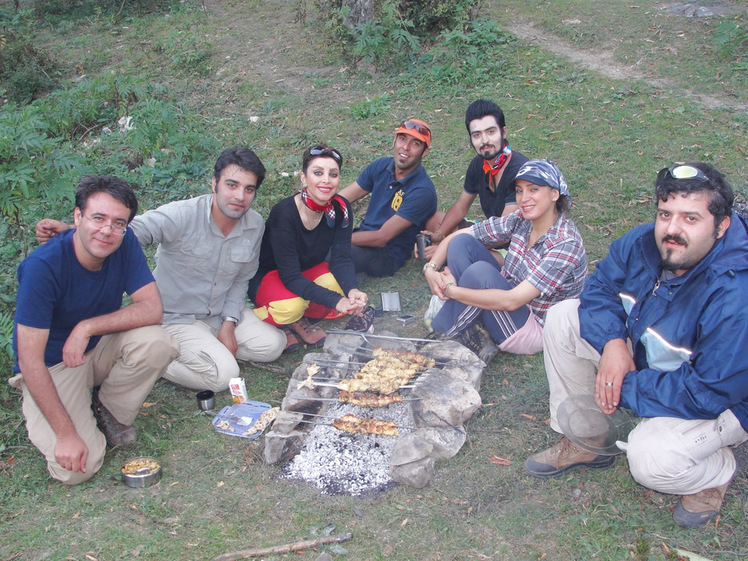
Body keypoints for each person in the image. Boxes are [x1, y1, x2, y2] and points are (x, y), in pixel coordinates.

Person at [524, 163, 748, 528]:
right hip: (657, 363)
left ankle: (716, 470)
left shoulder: (736, 292)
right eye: (665, 214)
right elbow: (598, 291)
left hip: (725, 399)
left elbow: (707, 392)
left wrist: (620, 387)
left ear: (721, 226)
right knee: (566, 315)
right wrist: (613, 344)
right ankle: (587, 437)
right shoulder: (643, 243)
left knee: (650, 459)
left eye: (691, 218)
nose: (672, 230)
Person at [36, 148, 286, 393]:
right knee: (225, 375)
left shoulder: (254, 225)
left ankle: (209, 348)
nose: (240, 196)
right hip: (175, 318)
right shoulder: (181, 215)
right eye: (232, 185)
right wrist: (73, 231)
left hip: (219, 312)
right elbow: (130, 231)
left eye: (248, 189)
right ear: (214, 183)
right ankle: (159, 358)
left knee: (274, 345)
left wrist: (229, 323)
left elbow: (243, 278)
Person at [11, 175, 180, 485]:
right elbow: (29, 359)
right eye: (98, 218)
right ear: (77, 217)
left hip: (96, 347)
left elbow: (152, 309)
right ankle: (55, 416)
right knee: (78, 469)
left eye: (118, 222)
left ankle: (108, 410)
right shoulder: (42, 268)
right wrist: (65, 434)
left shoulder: (123, 243)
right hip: (54, 366)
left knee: (159, 343)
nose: (107, 230)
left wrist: (87, 327)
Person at [423, 160, 587, 362]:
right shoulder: (522, 219)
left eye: (533, 189)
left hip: (533, 325)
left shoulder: (565, 244)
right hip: (509, 294)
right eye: (519, 191)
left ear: (555, 194)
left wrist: (451, 290)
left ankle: (434, 344)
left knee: (480, 273)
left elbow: (512, 301)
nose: (524, 198)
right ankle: (474, 325)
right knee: (462, 244)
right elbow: (458, 237)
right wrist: (430, 269)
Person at [248, 145, 371, 350]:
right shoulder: (285, 213)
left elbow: (341, 257)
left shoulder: (340, 208)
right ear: (303, 177)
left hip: (305, 270)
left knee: (338, 286)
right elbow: (290, 276)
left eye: (333, 174)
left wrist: (351, 290)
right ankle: (264, 318)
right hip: (270, 275)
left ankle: (298, 319)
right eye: (317, 173)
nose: (326, 180)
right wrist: (336, 301)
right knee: (291, 306)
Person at [420, 99, 529, 260]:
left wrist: (446, 247)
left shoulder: (519, 171)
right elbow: (460, 207)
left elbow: (503, 233)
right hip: (492, 232)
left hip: (516, 245)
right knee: (435, 220)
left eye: (490, 132)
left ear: (503, 132)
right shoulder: (479, 164)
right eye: (477, 135)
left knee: (465, 255)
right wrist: (439, 235)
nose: (484, 141)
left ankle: (455, 254)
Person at [339, 118, 438, 279]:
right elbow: (340, 200)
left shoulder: (422, 191)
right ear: (394, 140)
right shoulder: (380, 166)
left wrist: (336, 240)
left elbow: (381, 238)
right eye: (402, 139)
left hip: (386, 254)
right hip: (362, 236)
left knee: (328, 253)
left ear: (424, 152)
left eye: (415, 143)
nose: (405, 147)